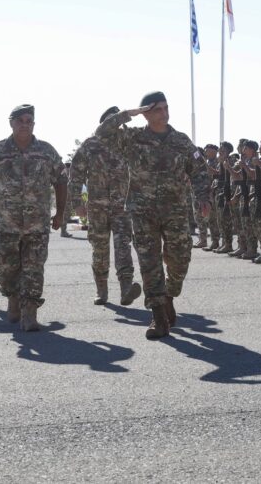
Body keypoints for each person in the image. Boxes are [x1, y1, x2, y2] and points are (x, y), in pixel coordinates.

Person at [95, 92, 211, 340]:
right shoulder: (133, 138)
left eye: (166, 107)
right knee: (149, 262)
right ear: (146, 113)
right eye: (158, 109)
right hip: (142, 212)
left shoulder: (181, 141)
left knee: (180, 259)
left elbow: (199, 170)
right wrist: (129, 113)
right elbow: (102, 134)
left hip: (175, 211)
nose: (164, 113)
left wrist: (203, 196)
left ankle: (168, 295)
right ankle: (158, 315)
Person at [0, 105, 66, 331]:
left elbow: (62, 180)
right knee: (7, 269)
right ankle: (12, 299)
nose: (25, 124)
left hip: (37, 225)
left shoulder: (46, 151)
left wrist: (60, 212)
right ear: (11, 123)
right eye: (20, 120)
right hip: (6, 225)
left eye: (29, 121)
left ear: (34, 124)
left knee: (34, 268)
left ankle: (30, 313)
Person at [69, 106, 142, 306]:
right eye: (113, 121)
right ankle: (101, 290)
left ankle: (126, 288)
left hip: (121, 207)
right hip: (97, 208)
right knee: (99, 250)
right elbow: (75, 174)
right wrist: (77, 203)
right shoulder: (91, 144)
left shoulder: (126, 142)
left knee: (123, 246)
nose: (117, 125)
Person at [201, 144, 220, 250]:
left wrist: (206, 165)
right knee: (211, 219)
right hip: (208, 193)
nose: (205, 152)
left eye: (207, 150)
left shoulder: (217, 162)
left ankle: (216, 241)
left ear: (214, 151)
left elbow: (218, 174)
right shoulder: (208, 162)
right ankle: (214, 241)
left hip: (215, 193)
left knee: (215, 219)